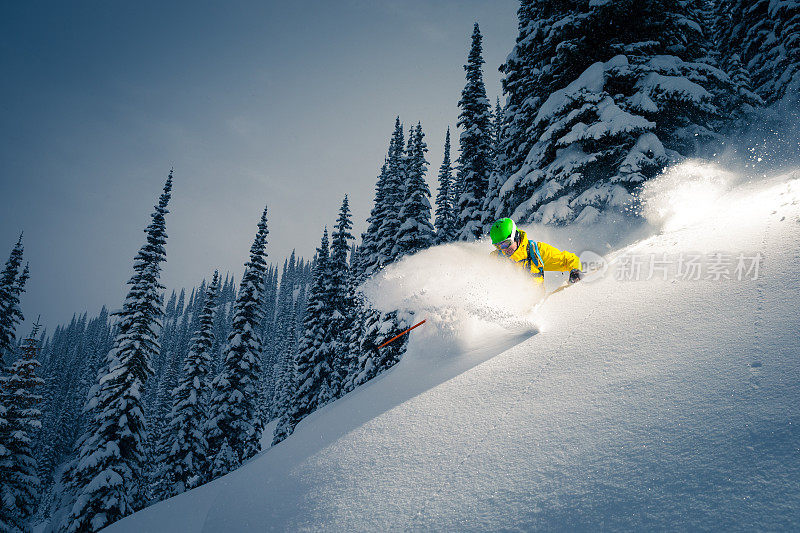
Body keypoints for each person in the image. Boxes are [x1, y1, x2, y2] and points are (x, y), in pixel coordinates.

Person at [489, 217, 584, 293]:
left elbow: (569, 259)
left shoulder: (536, 251)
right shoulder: (497, 258)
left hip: (536, 308)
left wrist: (575, 271)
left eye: (506, 243)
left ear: (516, 235)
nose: (504, 249)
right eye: (498, 246)